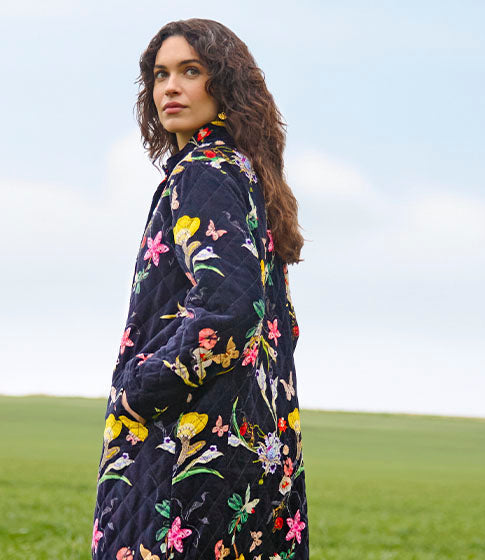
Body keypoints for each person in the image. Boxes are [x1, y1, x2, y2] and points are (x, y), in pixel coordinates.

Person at [92, 18, 308, 560]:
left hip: (187, 448)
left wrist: (137, 388)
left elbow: (230, 310)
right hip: (253, 443)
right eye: (160, 74)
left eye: (191, 71)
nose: (171, 87)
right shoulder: (243, 171)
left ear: (226, 84)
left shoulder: (204, 172)